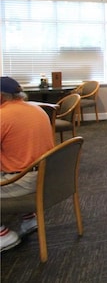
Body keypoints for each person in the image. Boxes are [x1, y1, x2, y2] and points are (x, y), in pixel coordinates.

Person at [0, 76, 55, 252]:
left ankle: (4, 236)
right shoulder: (36, 109)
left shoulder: (3, 115)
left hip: (24, 180)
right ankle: (29, 218)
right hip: (48, 174)